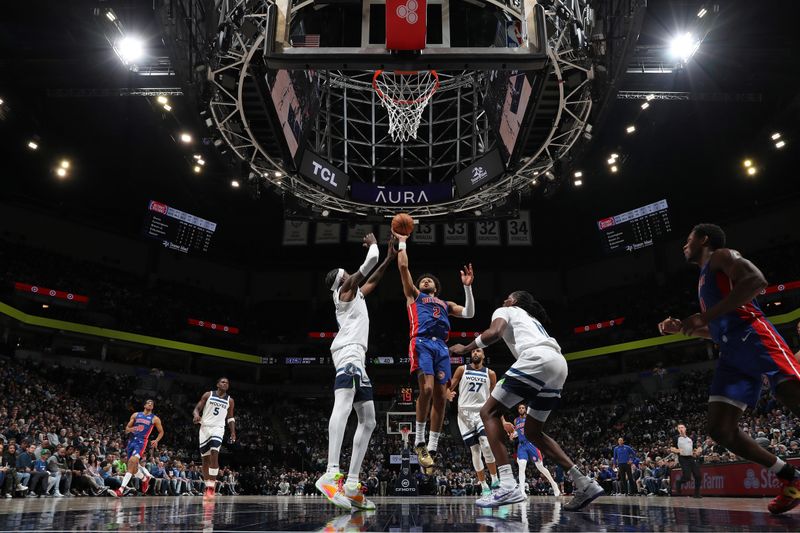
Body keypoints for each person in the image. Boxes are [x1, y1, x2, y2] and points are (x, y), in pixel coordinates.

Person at [658, 223, 800, 514]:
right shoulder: (702, 279)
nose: (684, 245)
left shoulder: (720, 256)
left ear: (704, 239)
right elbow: (717, 330)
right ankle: (790, 477)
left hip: (754, 334)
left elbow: (756, 280)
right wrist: (684, 329)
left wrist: (704, 316)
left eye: (688, 239)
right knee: (720, 429)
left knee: (790, 392)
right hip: (732, 351)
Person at [449, 290, 603, 509]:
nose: (503, 299)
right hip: (558, 364)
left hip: (536, 358)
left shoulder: (507, 310)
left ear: (513, 301)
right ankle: (584, 482)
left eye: (508, 296)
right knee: (533, 431)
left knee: (488, 412)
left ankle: (508, 486)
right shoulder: (531, 319)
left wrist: (465, 347)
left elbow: (494, 333)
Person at [316, 233, 397, 511]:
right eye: (347, 274)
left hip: (357, 359)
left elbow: (374, 277)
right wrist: (374, 245)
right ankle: (330, 473)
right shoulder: (344, 291)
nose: (352, 275)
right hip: (348, 352)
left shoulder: (356, 294)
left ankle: (351, 484)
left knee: (370, 420)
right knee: (344, 405)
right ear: (341, 280)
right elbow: (369, 261)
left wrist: (389, 257)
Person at [393, 230, 475, 472]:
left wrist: (467, 288)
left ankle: (432, 447)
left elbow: (470, 313)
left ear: (436, 288)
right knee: (427, 389)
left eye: (429, 281)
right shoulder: (414, 297)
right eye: (423, 280)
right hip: (421, 342)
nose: (425, 281)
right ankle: (419, 440)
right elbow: (404, 268)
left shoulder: (445, 304)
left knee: (441, 398)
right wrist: (402, 242)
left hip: (441, 348)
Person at [447, 348, 499, 496]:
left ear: (483, 355)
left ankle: (495, 479)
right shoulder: (461, 369)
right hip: (464, 413)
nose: (475, 353)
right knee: (475, 450)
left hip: (482, 412)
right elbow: (449, 387)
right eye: (473, 352)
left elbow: (494, 397)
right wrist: (447, 393)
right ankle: (483, 485)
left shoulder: (490, 373)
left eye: (478, 351)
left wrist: (500, 418)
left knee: (486, 444)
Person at [193, 377, 237, 499]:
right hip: (205, 427)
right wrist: (196, 415)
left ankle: (212, 486)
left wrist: (233, 432)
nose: (225, 384)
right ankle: (207, 485)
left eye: (227, 382)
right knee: (205, 460)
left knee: (214, 452)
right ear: (217, 384)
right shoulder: (208, 394)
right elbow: (197, 409)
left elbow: (230, 417)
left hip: (218, 428)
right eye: (223, 382)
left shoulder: (230, 400)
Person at [507, 403, 561, 496]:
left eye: (523, 408)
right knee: (522, 467)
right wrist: (512, 435)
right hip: (522, 446)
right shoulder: (516, 420)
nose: (521, 409)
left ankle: (554, 484)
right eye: (519, 408)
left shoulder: (530, 418)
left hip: (531, 444)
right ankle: (522, 491)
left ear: (525, 409)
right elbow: (518, 432)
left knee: (540, 467)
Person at [117, 399, 163, 497]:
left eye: (152, 404)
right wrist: (130, 429)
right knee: (132, 468)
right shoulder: (135, 415)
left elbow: (161, 432)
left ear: (153, 407)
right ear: (144, 405)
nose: (150, 404)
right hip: (131, 441)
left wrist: (156, 440)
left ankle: (121, 489)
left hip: (141, 442)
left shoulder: (155, 418)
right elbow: (126, 430)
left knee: (132, 463)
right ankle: (144, 479)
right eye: (148, 403)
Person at [670, 423, 702, 498]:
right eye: (679, 428)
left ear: (685, 429)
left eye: (682, 427)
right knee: (687, 477)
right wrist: (678, 450)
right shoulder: (676, 438)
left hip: (691, 458)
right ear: (678, 430)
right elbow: (672, 448)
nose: (681, 429)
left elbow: (694, 449)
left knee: (698, 476)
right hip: (683, 458)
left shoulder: (689, 439)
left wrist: (698, 450)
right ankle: (679, 482)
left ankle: (696, 494)